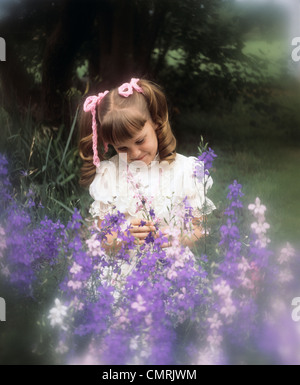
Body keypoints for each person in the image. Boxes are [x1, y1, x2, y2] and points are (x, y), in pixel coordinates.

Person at [79, 78, 215, 251]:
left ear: (156, 123)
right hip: (126, 272)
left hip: (174, 269)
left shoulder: (185, 171)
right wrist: (124, 237)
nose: (135, 153)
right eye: (122, 148)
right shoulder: (111, 174)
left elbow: (200, 231)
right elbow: (103, 237)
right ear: (110, 144)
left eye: (140, 140)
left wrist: (180, 237)